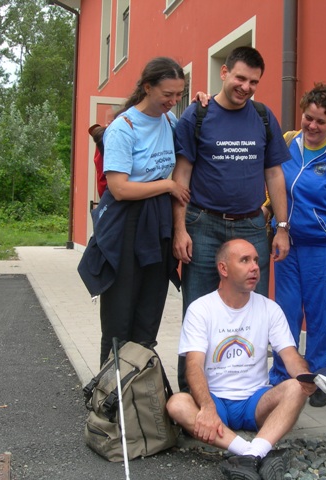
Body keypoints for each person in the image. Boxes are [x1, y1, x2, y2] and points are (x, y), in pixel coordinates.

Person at [172, 46, 291, 390]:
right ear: (223, 73)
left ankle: (248, 390)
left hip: (252, 226)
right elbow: (181, 176)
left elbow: (274, 175)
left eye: (254, 81)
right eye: (240, 77)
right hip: (204, 225)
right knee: (197, 310)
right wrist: (179, 229)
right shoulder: (196, 117)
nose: (246, 86)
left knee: (252, 311)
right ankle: (193, 394)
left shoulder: (264, 117)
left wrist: (281, 227)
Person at [166, 239, 315, 480]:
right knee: (177, 404)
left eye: (256, 260)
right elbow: (193, 366)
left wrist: (306, 378)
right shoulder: (200, 309)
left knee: (296, 388)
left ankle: (249, 455)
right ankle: (250, 451)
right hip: (216, 400)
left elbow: (291, 357)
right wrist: (207, 407)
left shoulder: (270, 309)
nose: (255, 267)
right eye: (245, 260)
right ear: (223, 269)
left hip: (255, 400)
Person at [78, 57, 190, 367]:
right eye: (167, 94)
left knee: (147, 316)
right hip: (125, 224)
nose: (173, 101)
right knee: (119, 319)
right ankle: (107, 398)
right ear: (147, 87)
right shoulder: (122, 128)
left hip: (157, 226)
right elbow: (119, 188)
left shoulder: (170, 122)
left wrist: (202, 104)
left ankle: (137, 394)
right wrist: (167, 186)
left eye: (179, 94)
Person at [266, 83, 326, 408]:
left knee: (320, 316)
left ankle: (317, 377)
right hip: (288, 244)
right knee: (286, 314)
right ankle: (282, 377)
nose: (313, 126)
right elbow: (274, 181)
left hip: (324, 248)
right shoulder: (289, 141)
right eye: (309, 118)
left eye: (321, 121)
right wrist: (267, 210)